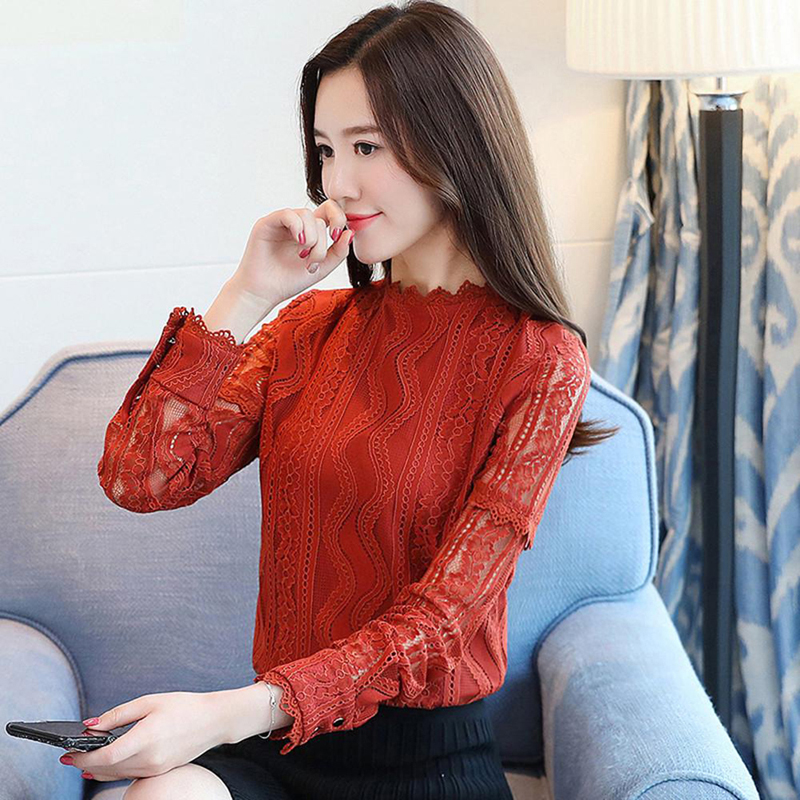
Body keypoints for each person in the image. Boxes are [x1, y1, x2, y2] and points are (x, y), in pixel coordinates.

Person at [80, 1, 619, 797]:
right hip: (281, 748)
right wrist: (246, 293)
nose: (337, 183)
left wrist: (224, 714)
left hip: (426, 762)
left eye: (367, 146)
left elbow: (442, 622)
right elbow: (141, 478)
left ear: (455, 141)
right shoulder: (307, 331)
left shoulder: (540, 361)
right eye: (327, 150)